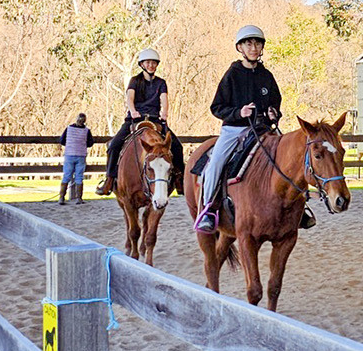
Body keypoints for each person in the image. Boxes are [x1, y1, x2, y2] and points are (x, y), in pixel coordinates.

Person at [194, 25, 284, 233]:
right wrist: (238, 112)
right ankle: (208, 210)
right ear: (240, 48)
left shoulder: (267, 76)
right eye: (248, 43)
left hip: (263, 130)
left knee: (291, 155)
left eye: (257, 43)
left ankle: (299, 206)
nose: (253, 47)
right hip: (234, 130)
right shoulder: (231, 75)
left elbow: (275, 102)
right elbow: (216, 107)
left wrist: (274, 113)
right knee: (215, 163)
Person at [96, 48, 186, 196]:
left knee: (177, 146)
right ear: (142, 64)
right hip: (135, 118)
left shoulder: (161, 83)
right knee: (114, 145)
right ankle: (110, 180)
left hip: (155, 119)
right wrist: (133, 111)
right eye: (148, 62)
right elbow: (129, 98)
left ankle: (179, 179)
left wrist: (164, 112)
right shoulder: (135, 81)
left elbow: (164, 99)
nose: (151, 65)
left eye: (154, 63)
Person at [57, 112, 92, 205]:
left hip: (69, 154)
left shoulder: (69, 129)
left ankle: (61, 198)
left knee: (66, 176)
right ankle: (79, 198)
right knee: (79, 177)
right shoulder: (86, 130)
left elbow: (62, 141)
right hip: (81, 155)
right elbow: (90, 143)